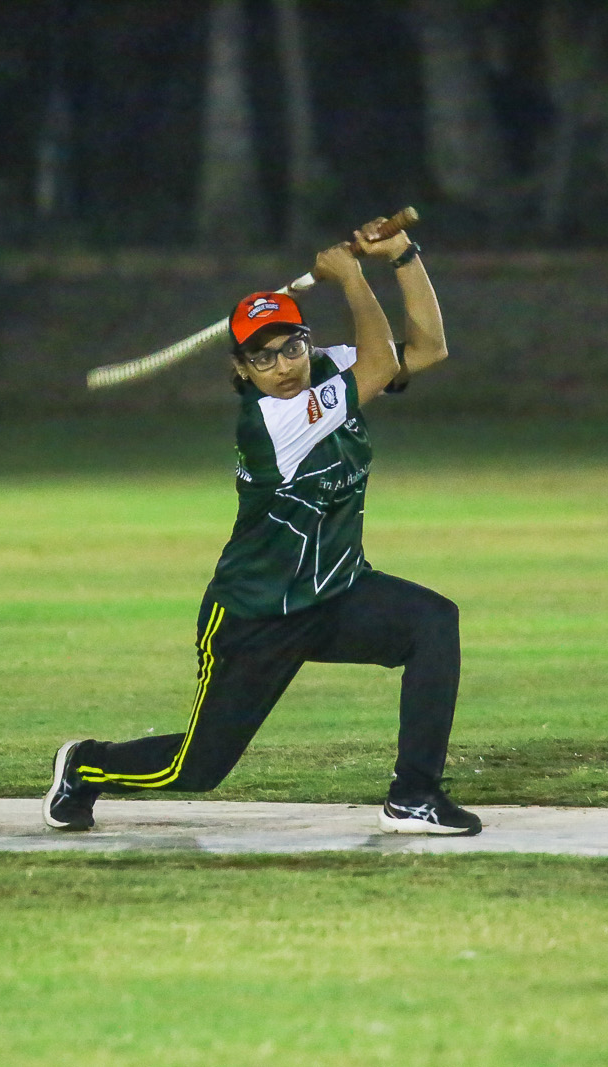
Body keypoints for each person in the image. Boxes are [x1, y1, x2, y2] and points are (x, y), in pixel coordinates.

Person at [45, 220, 480, 836]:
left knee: (432, 623)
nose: (283, 366)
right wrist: (352, 275)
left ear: (308, 342)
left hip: (335, 592)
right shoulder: (272, 422)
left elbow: (429, 348)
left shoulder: (328, 368)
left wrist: (403, 255)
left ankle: (414, 796)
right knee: (197, 769)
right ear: (242, 369)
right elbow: (382, 362)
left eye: (291, 347)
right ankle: (85, 764)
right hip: (256, 614)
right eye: (262, 357)